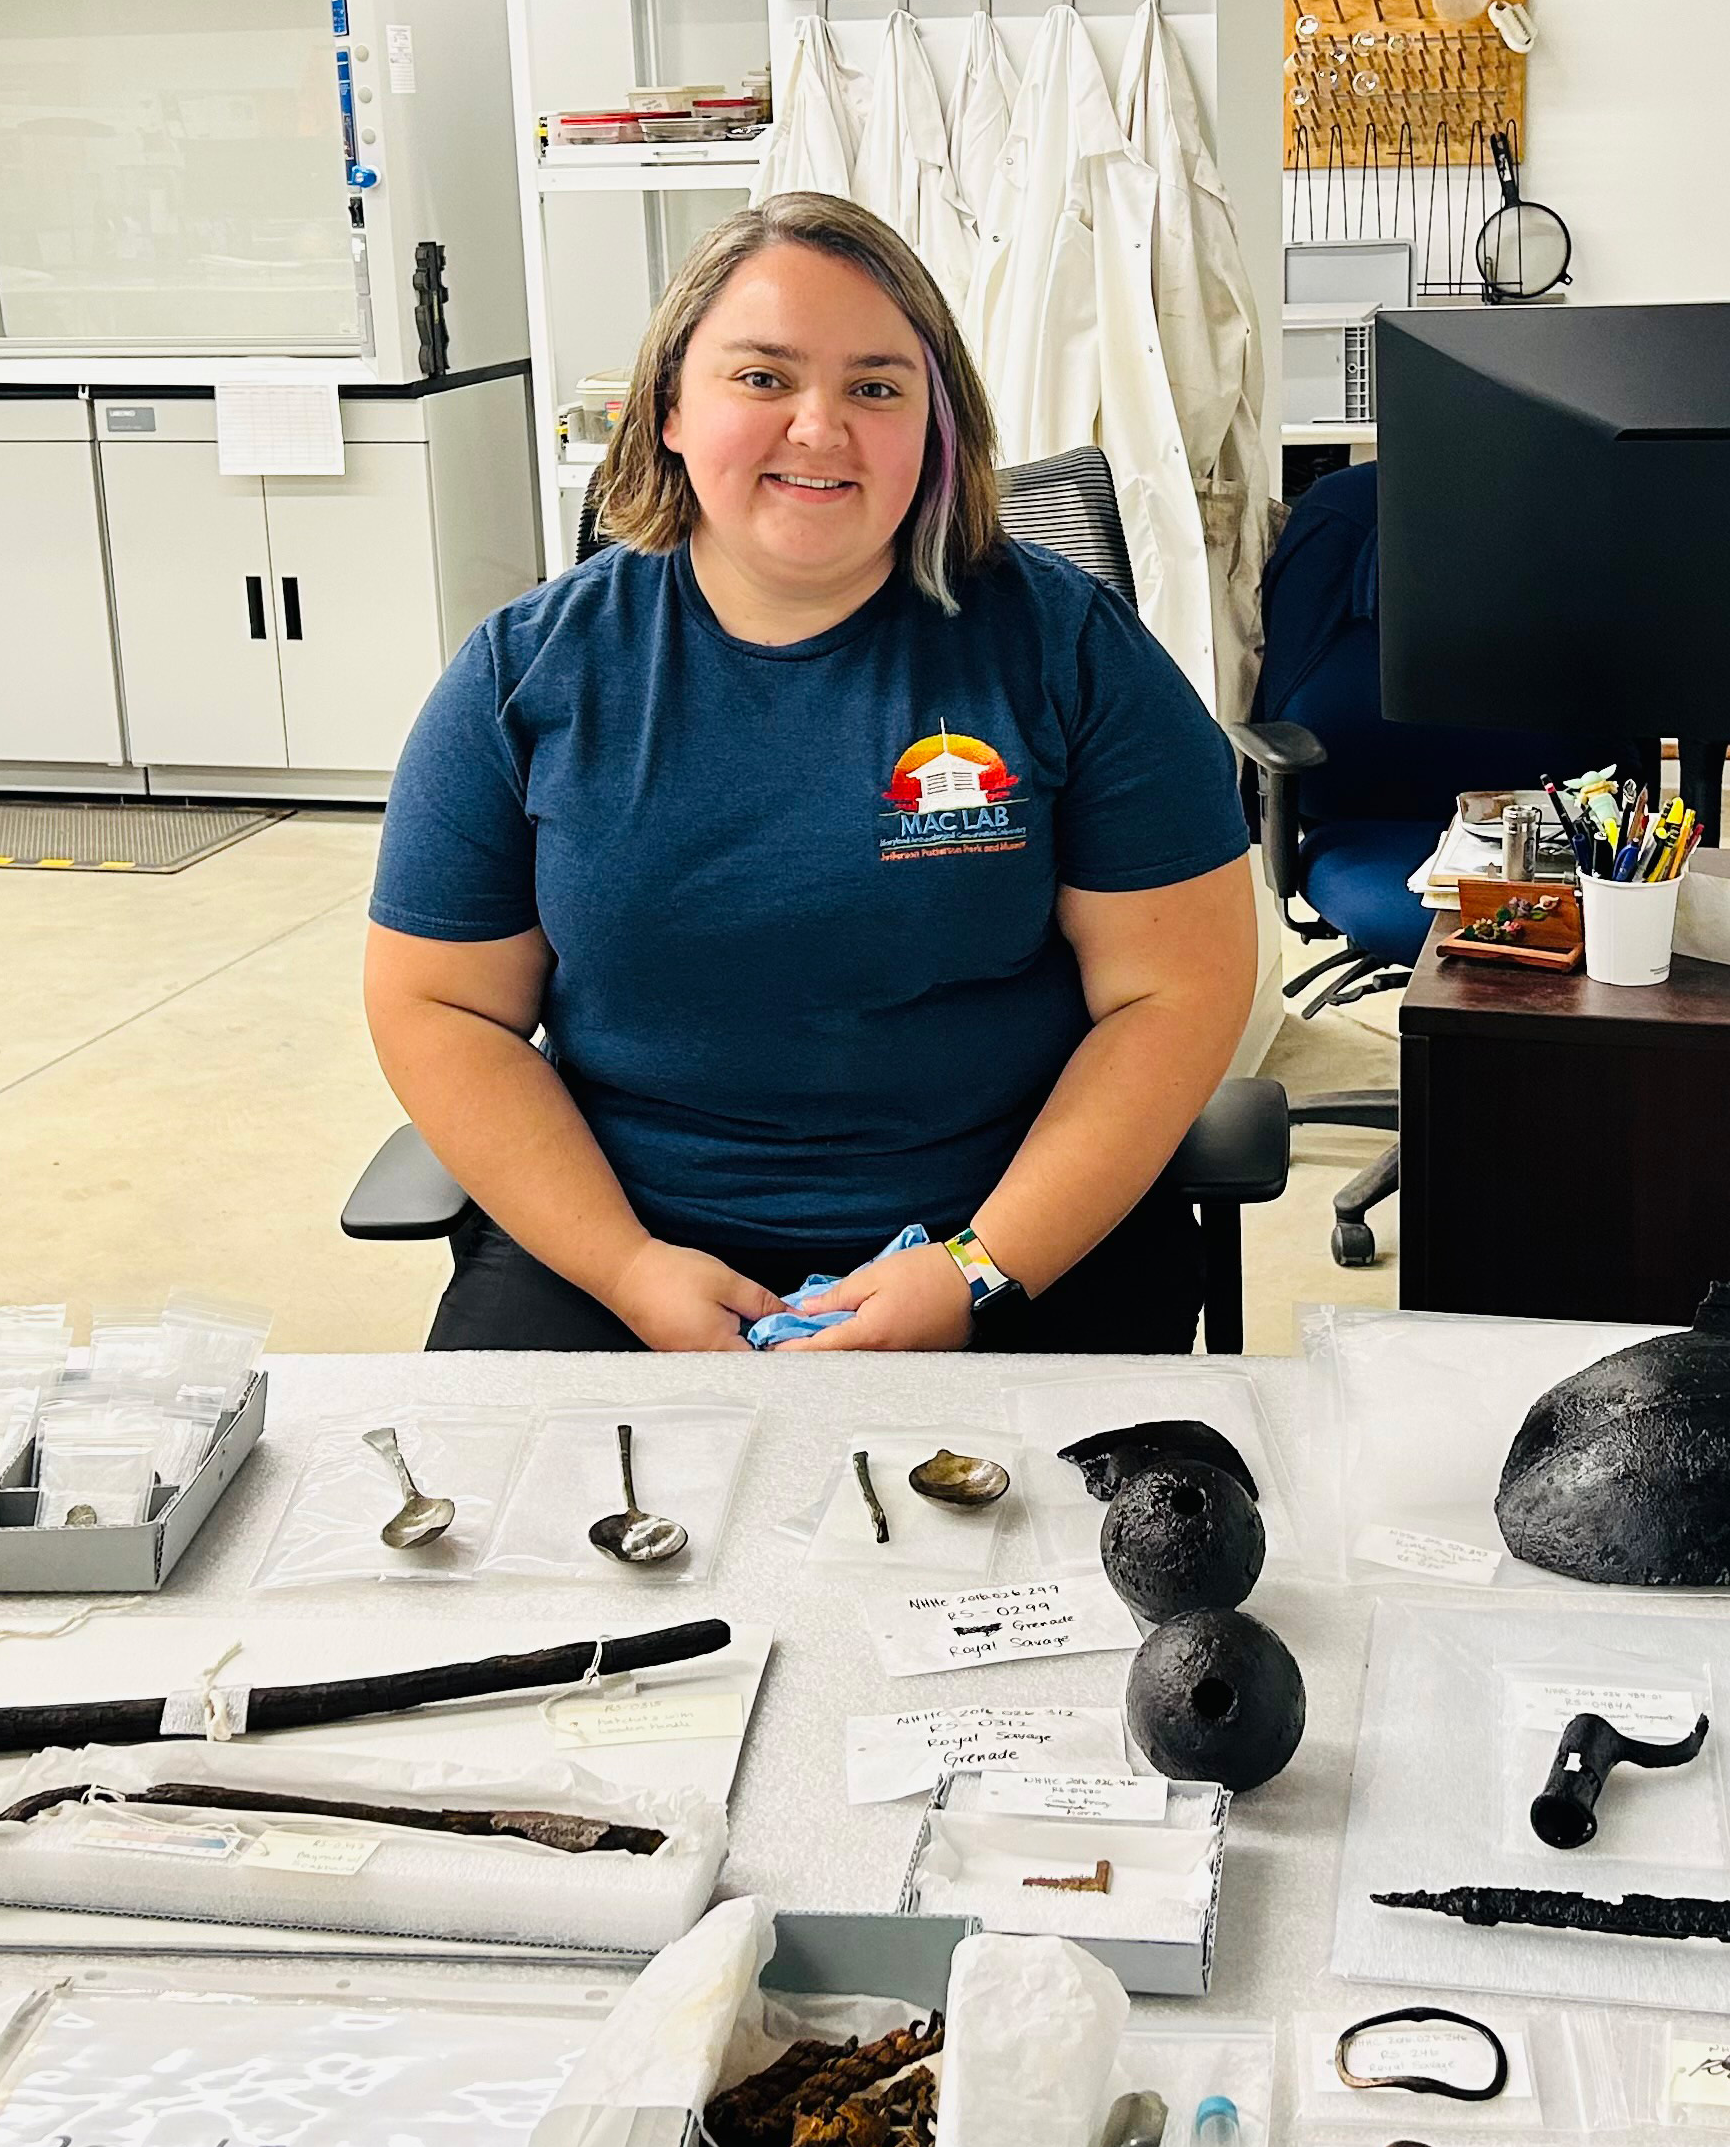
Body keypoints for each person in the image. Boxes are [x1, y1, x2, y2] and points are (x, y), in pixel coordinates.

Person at [365, 190, 1258, 1352]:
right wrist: (629, 1269)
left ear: (937, 427)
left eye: (877, 387)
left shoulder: (1068, 650)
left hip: (1014, 1242)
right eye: (763, 378)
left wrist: (977, 1270)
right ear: (671, 410)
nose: (821, 428)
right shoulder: (526, 677)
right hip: (621, 1245)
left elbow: (1172, 993)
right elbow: (439, 1006)